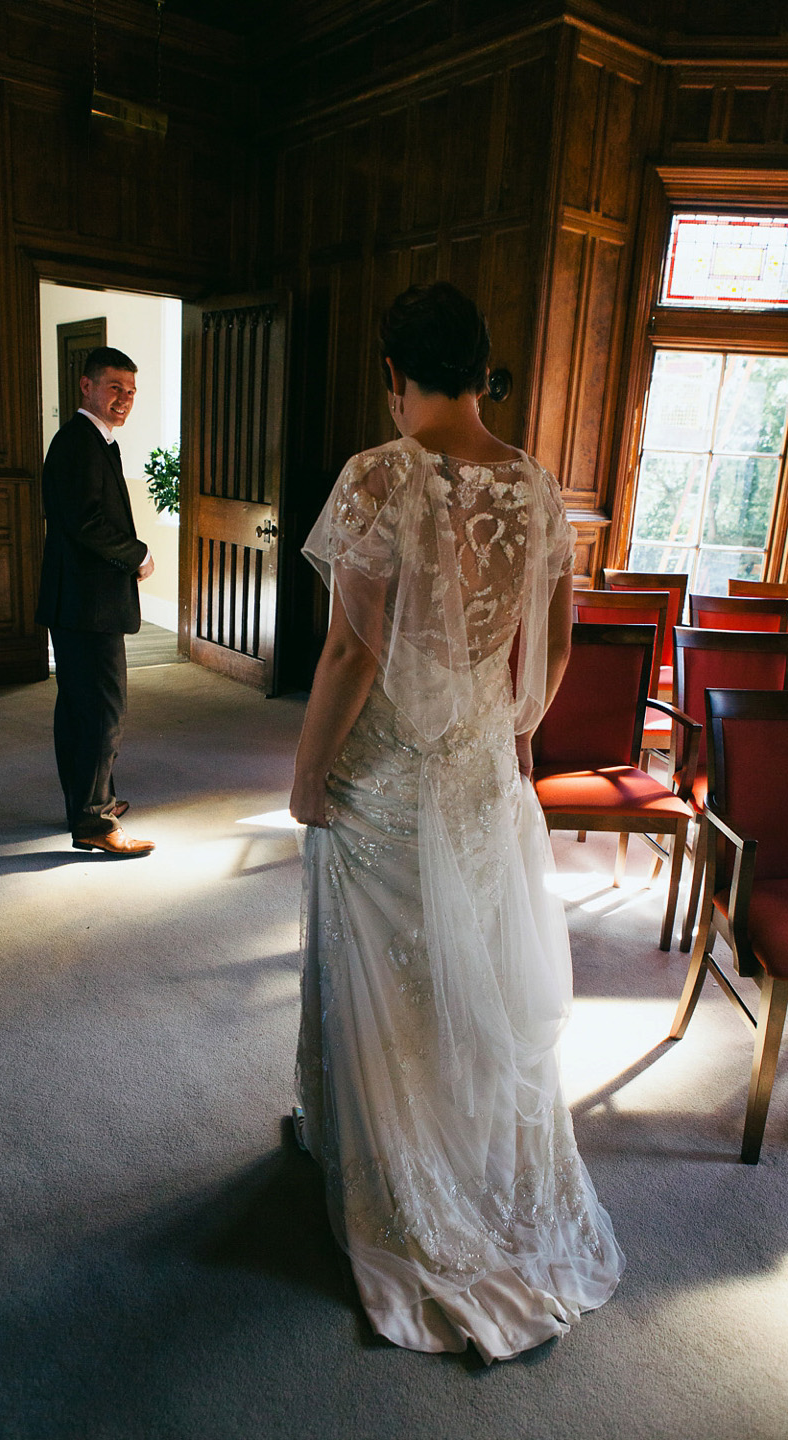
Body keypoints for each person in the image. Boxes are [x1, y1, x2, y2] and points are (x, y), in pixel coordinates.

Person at [289, 283, 623, 1362]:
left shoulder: (377, 476)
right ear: (483, 370)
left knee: (391, 971)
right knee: (464, 968)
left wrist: (306, 776)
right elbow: (561, 640)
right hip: (484, 774)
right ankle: (470, 1153)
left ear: (396, 375)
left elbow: (352, 652)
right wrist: (514, 727)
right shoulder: (536, 486)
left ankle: (394, 1173)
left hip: (388, 776)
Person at [36, 346, 156, 857]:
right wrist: (138, 555)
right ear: (86, 386)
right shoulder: (79, 443)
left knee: (81, 708)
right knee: (102, 710)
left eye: (130, 391)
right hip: (87, 605)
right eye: (114, 388)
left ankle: (90, 800)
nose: (124, 399)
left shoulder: (91, 440)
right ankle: (92, 822)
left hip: (81, 601)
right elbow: (87, 522)